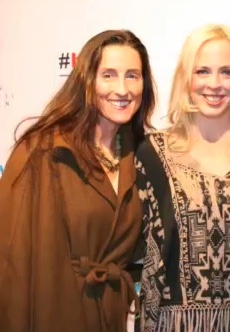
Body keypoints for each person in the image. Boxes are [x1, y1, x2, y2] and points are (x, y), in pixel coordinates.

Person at [0, 29, 157, 332]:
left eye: (133, 76)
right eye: (108, 75)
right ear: (87, 80)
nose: (122, 89)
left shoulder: (138, 155)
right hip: (55, 314)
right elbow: (11, 266)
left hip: (112, 316)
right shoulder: (43, 152)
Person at [135, 24, 230, 332]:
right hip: (172, 324)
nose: (214, 84)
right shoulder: (153, 153)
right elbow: (145, 254)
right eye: (202, 71)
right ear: (186, 77)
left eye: (227, 72)